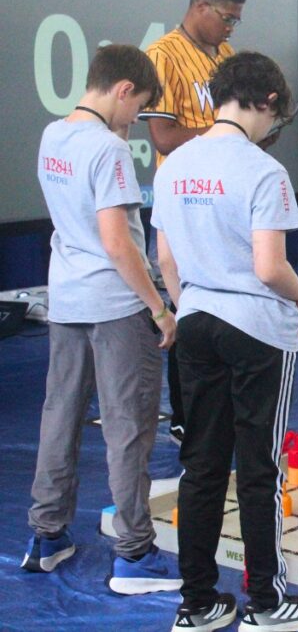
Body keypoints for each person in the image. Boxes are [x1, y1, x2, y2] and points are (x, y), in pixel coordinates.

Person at [152, 53, 298, 632]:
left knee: (199, 465)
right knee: (257, 468)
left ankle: (197, 603)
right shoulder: (262, 170)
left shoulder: (173, 164)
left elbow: (165, 258)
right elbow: (270, 267)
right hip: (255, 328)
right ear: (270, 103)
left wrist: (186, 304)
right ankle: (266, 602)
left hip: (195, 319)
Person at [22, 44, 181, 596]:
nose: (135, 121)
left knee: (59, 416)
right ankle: (135, 554)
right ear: (122, 89)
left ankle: (46, 536)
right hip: (115, 305)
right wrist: (159, 308)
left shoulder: (52, 135)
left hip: (66, 298)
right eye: (136, 107)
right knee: (128, 426)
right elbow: (118, 244)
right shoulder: (108, 149)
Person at [140, 0, 249, 445]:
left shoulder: (225, 55)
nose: (230, 28)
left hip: (227, 199)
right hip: (184, 201)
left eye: (235, 21)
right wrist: (225, 134)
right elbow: (163, 136)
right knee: (189, 309)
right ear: (201, 6)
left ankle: (224, 409)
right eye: (227, 17)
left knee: (228, 306)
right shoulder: (162, 55)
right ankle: (187, 416)